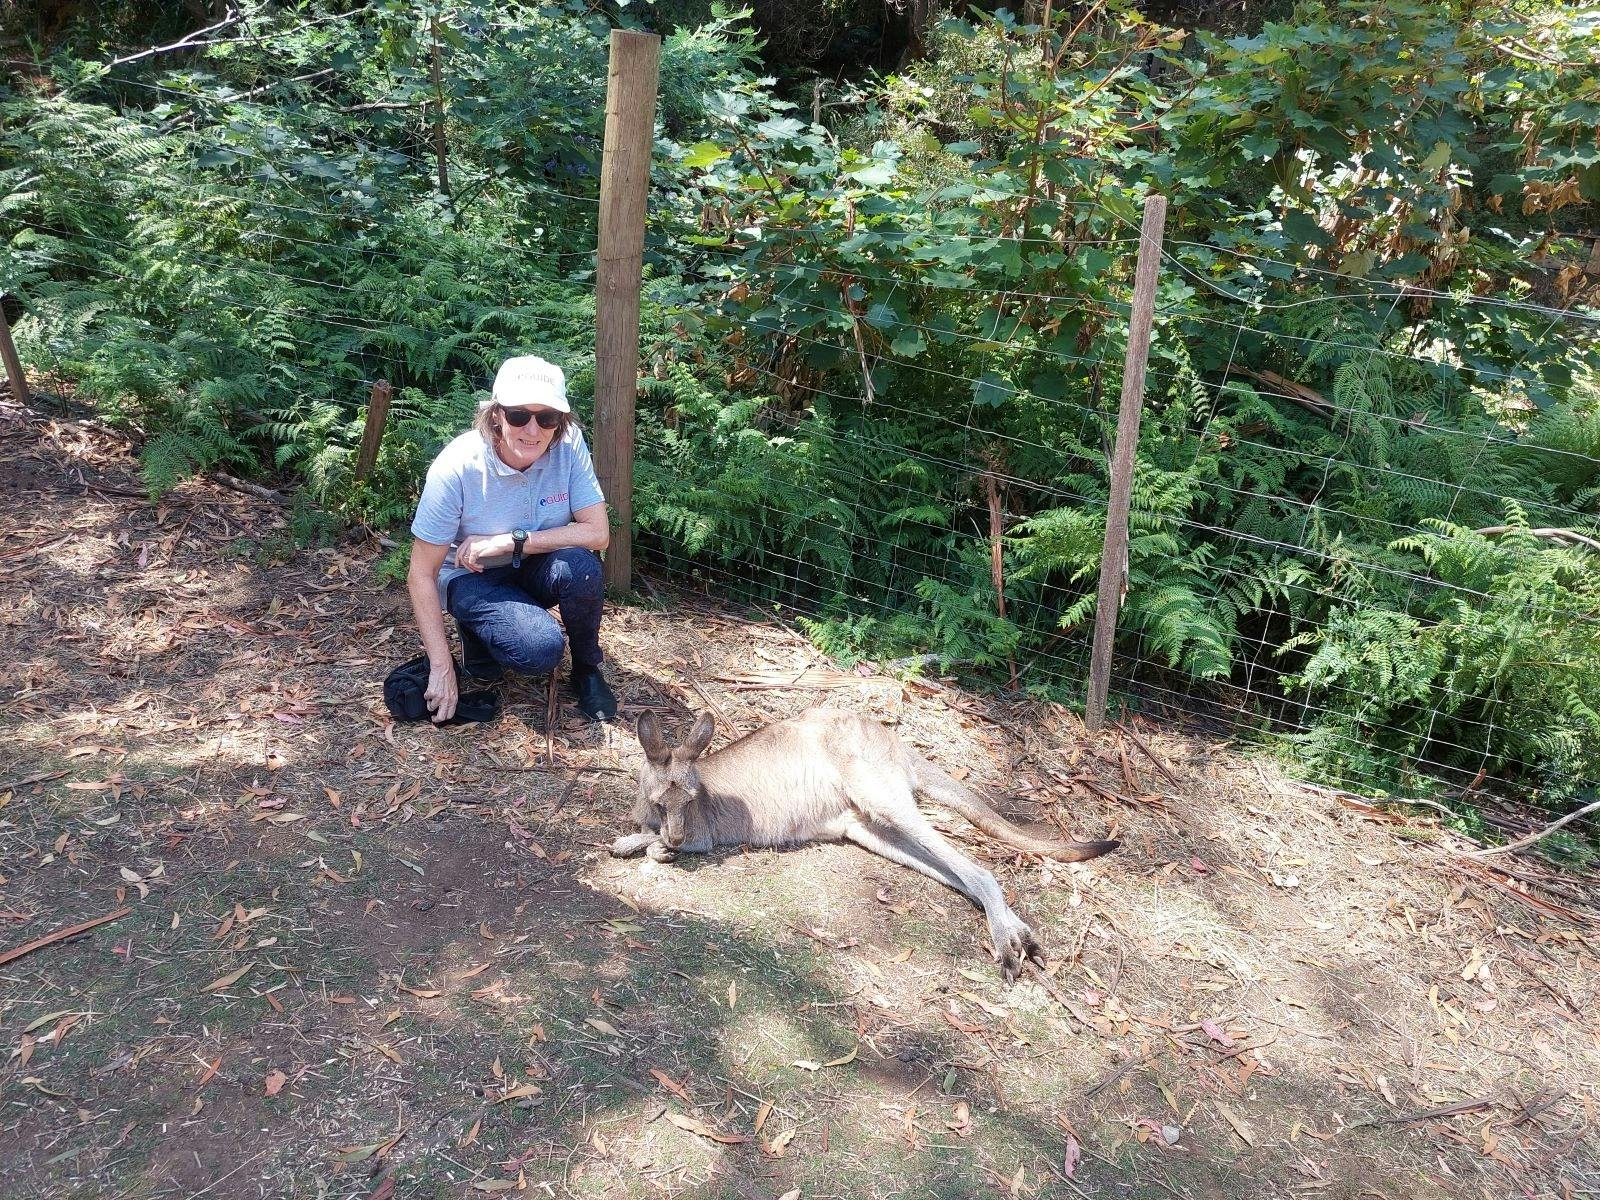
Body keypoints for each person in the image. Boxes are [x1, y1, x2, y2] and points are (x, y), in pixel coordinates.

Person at [406, 355, 618, 724]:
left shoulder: (569, 445)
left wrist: (511, 541)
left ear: (560, 422)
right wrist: (441, 666)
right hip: (471, 575)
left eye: (547, 418)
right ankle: (477, 631)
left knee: (582, 566)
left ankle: (587, 669)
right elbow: (421, 574)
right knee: (540, 650)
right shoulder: (457, 466)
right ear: (496, 416)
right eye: (519, 415)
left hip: (531, 562)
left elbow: (597, 534)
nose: (533, 430)